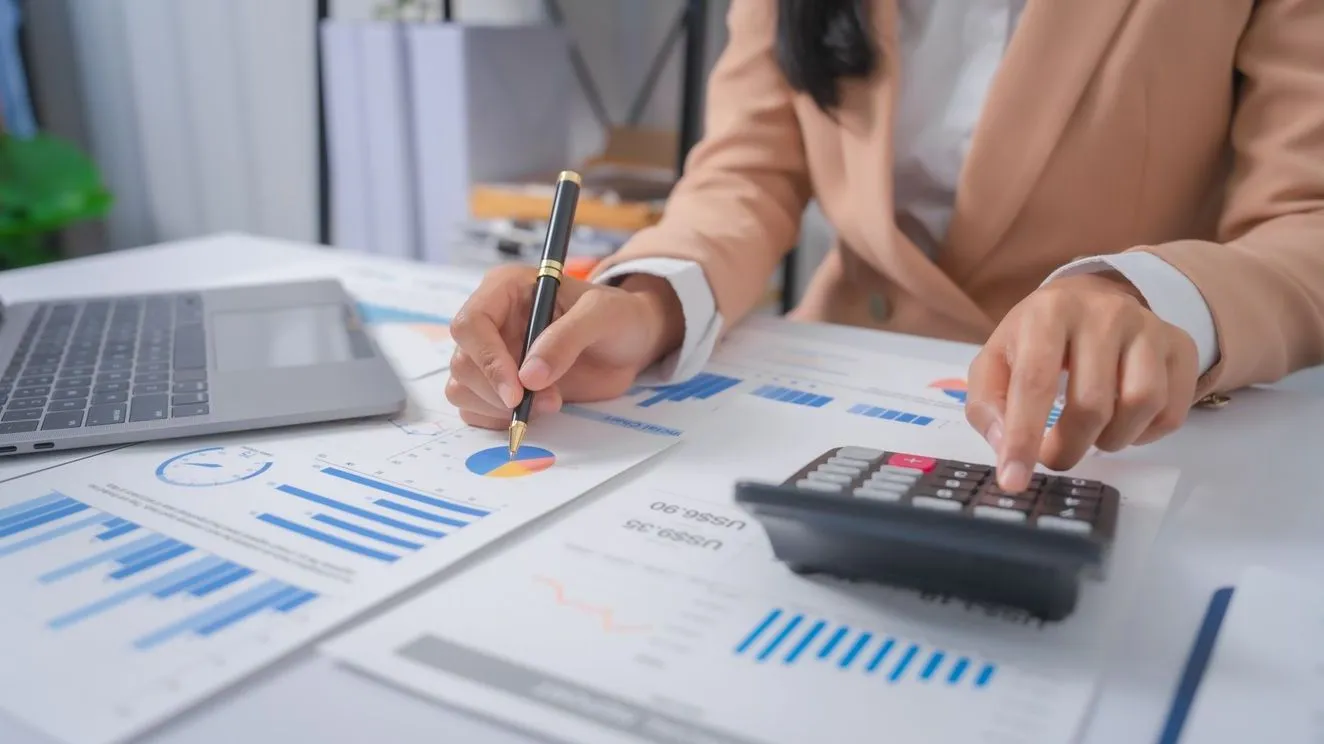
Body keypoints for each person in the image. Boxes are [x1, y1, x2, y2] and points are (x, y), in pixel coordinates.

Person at [446, 0, 1324, 492]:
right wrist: (644, 303)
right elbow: (748, 168)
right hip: (826, 397)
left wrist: (1144, 294)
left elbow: (1308, 216)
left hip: (1112, 431)